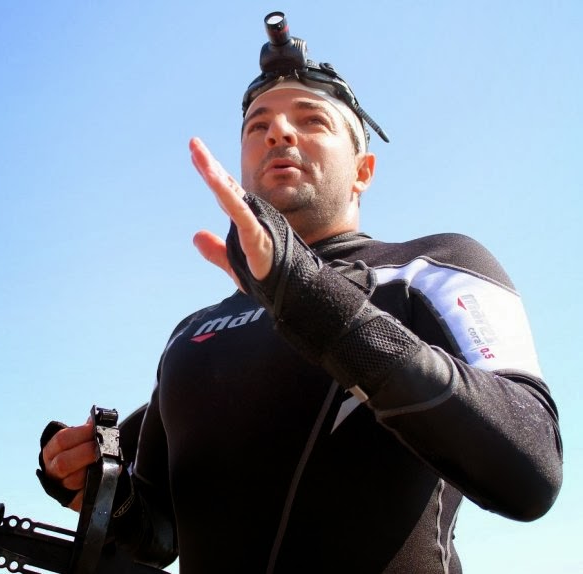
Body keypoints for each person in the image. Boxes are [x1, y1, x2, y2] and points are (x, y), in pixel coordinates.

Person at [38, 12, 563, 574]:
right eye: (257, 126)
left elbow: (532, 468)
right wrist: (105, 492)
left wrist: (308, 295)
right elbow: (162, 535)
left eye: (312, 119)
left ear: (363, 170)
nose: (279, 133)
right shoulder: (190, 333)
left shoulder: (432, 267)